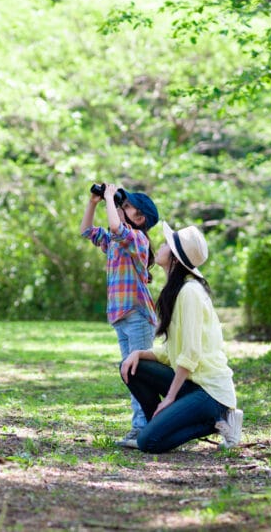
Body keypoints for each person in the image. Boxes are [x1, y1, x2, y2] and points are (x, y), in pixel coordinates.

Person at [119, 221, 243, 452]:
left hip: (210, 392)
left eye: (167, 244)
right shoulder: (176, 291)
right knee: (132, 366)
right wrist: (138, 353)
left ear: (175, 258)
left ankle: (220, 421)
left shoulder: (190, 292)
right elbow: (171, 352)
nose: (161, 246)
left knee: (149, 443)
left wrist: (169, 398)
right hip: (192, 384)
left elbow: (190, 354)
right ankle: (156, 424)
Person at [80, 182, 160, 448]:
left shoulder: (138, 239)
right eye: (120, 206)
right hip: (120, 316)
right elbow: (87, 231)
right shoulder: (115, 241)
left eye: (126, 207)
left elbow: (117, 228)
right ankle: (140, 426)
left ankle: (143, 427)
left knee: (138, 373)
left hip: (137, 315)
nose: (119, 208)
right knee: (130, 375)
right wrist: (94, 203)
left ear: (139, 219)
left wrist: (112, 198)